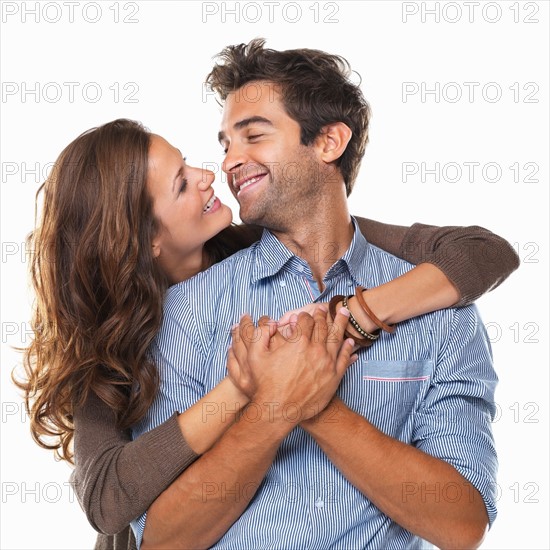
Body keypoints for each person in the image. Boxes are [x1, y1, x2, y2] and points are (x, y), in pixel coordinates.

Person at [17, 112, 517, 550]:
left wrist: (355, 316)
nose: (210, 174)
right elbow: (108, 499)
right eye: (181, 184)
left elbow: (482, 253)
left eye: (193, 161)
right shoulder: (112, 342)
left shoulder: (261, 243)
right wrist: (255, 391)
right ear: (146, 239)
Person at [129, 39, 507, 550]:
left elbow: (462, 524)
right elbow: (162, 541)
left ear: (328, 142)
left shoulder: (437, 308)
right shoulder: (188, 310)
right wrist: (276, 410)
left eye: (253, 136)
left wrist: (319, 407)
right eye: (225, 145)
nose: (228, 163)